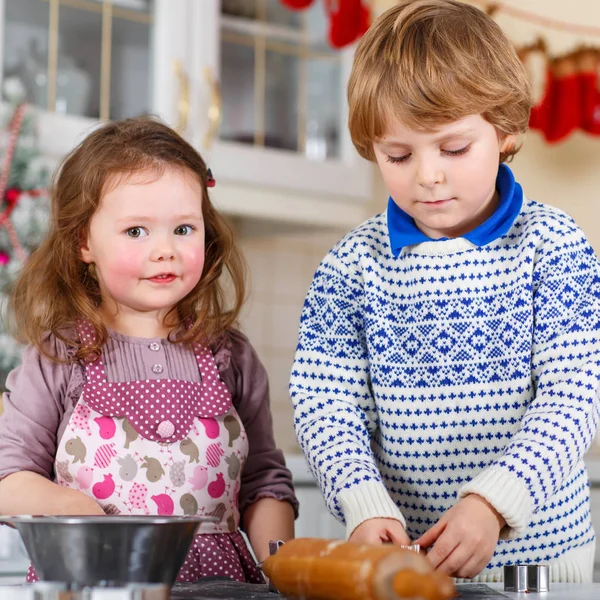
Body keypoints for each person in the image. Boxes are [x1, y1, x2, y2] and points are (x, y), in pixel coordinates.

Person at [290, 0, 600, 583]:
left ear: (505, 132)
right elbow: (325, 404)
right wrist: (363, 506)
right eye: (398, 155)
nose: (427, 175)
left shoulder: (553, 245)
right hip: (404, 571)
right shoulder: (350, 267)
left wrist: (492, 503)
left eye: (453, 149)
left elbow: (574, 397)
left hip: (542, 568)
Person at [0, 117, 297, 583]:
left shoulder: (231, 356)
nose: (166, 250)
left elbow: (264, 483)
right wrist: (71, 508)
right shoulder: (59, 357)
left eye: (184, 228)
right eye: (137, 231)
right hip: (92, 585)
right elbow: (7, 477)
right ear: (84, 242)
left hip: (221, 592)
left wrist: (285, 566)